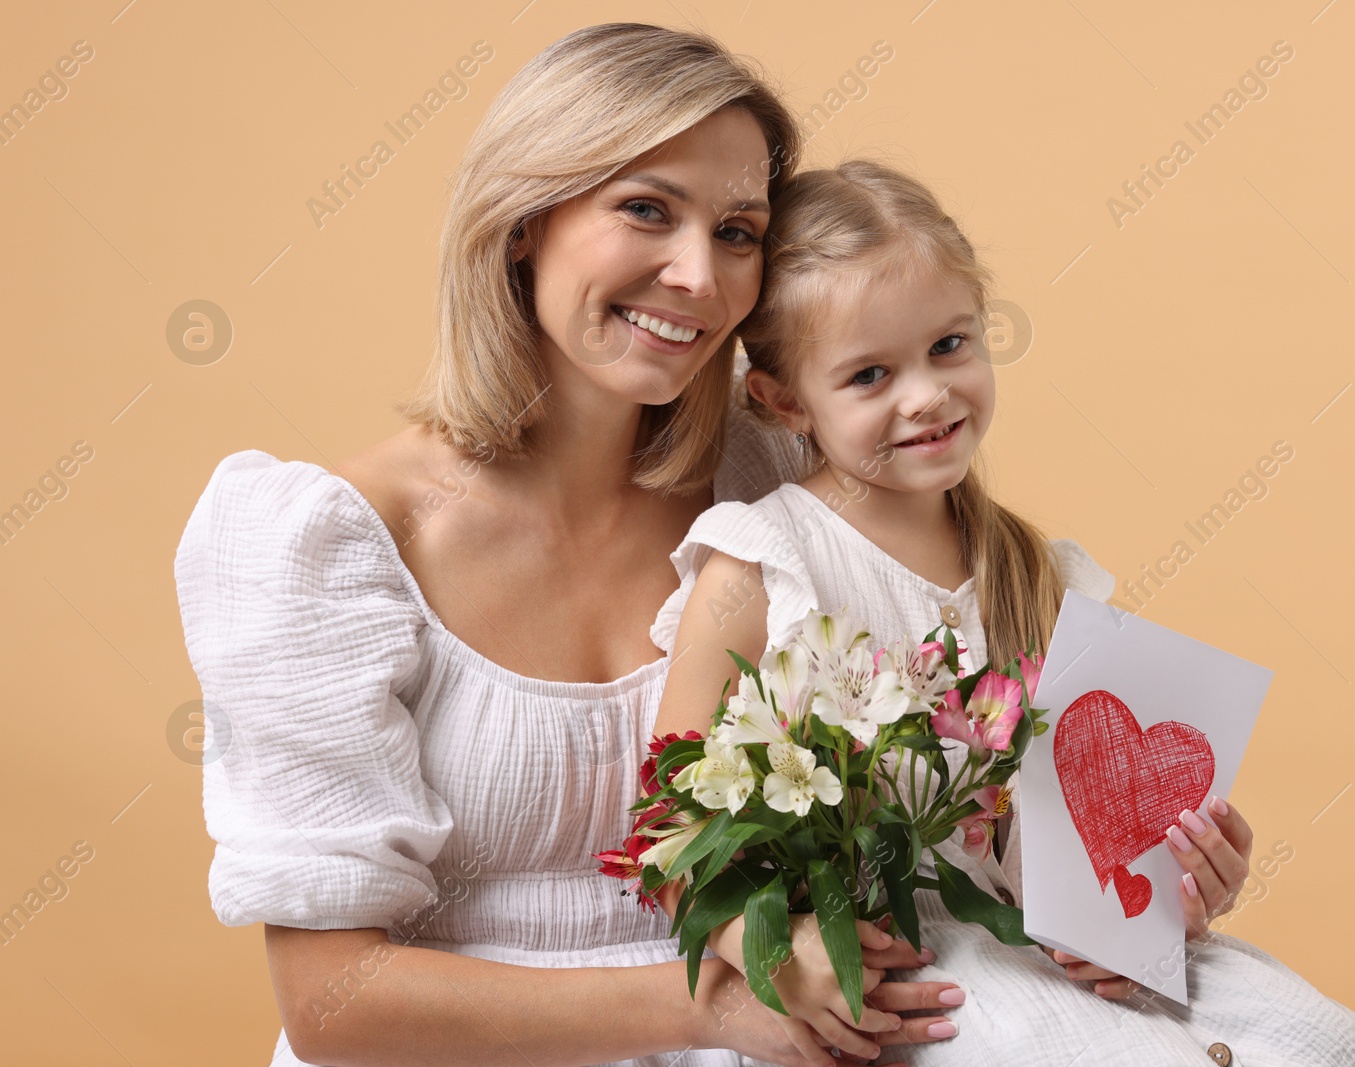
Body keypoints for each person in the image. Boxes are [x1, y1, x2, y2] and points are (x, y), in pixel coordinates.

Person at [173, 26, 961, 1067]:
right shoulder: (331, 542)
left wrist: (1140, 860)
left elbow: (958, 702)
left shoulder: (776, 473)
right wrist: (708, 1004)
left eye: (736, 230)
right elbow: (333, 1001)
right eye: (645, 209)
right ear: (522, 223)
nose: (697, 273)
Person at [649, 158, 1355, 1065]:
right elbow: (666, 830)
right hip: (884, 959)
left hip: (1025, 941)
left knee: (1319, 1036)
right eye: (871, 374)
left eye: (950, 346)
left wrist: (1160, 900)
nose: (926, 394)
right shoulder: (765, 559)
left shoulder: (1031, 570)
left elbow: (1053, 839)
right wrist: (767, 953)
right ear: (783, 399)